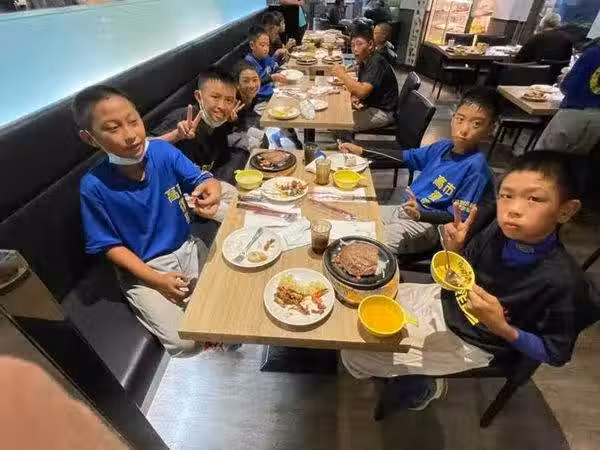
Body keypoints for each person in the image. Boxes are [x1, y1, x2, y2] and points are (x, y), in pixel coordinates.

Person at [342, 151, 597, 410]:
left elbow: (555, 353)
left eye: (534, 199)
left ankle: (422, 386)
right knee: (359, 310)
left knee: (354, 356)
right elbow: (463, 272)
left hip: (474, 340)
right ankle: (413, 370)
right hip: (444, 300)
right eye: (507, 195)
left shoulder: (564, 282)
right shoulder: (495, 228)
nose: (514, 209)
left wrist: (502, 327)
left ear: (566, 210)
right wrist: (454, 249)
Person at [74, 85, 221, 356]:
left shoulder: (162, 152)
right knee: (186, 343)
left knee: (226, 304)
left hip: (188, 247)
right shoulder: (93, 186)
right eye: (113, 128)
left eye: (133, 121)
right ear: (90, 138)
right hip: (144, 269)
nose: (130, 135)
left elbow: (201, 179)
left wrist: (212, 187)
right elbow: (110, 246)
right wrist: (157, 280)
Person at [339, 87, 498, 254]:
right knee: (352, 217)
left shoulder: (476, 168)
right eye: (460, 119)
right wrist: (361, 151)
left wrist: (421, 214)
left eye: (476, 124)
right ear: (452, 119)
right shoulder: (442, 147)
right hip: (405, 208)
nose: (464, 129)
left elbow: (457, 217)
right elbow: (405, 157)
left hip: (429, 226)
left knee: (366, 246)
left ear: (490, 129)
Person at [152, 68, 248, 185]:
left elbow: (221, 162)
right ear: (198, 96)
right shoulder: (182, 118)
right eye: (215, 97)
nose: (222, 106)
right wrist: (176, 135)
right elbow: (142, 150)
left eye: (229, 100)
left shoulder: (219, 125)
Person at [534, 39, 600, 155]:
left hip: (574, 113)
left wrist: (563, 79)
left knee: (543, 157)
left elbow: (568, 86)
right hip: (597, 122)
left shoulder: (593, 53)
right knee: (574, 160)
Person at [331, 24, 399, 134]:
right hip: (372, 105)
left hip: (383, 112)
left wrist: (342, 74)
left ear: (370, 44)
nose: (355, 49)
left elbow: (362, 92)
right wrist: (355, 97)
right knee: (337, 112)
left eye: (359, 44)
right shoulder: (365, 59)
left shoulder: (376, 62)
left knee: (339, 122)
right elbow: (363, 89)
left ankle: (346, 143)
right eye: (352, 45)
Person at [244, 25, 287, 102]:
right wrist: (271, 78)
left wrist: (278, 56)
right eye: (262, 45)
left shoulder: (265, 57)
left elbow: (273, 67)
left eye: (268, 45)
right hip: (261, 101)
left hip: (274, 92)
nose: (266, 49)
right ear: (252, 45)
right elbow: (252, 85)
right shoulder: (248, 62)